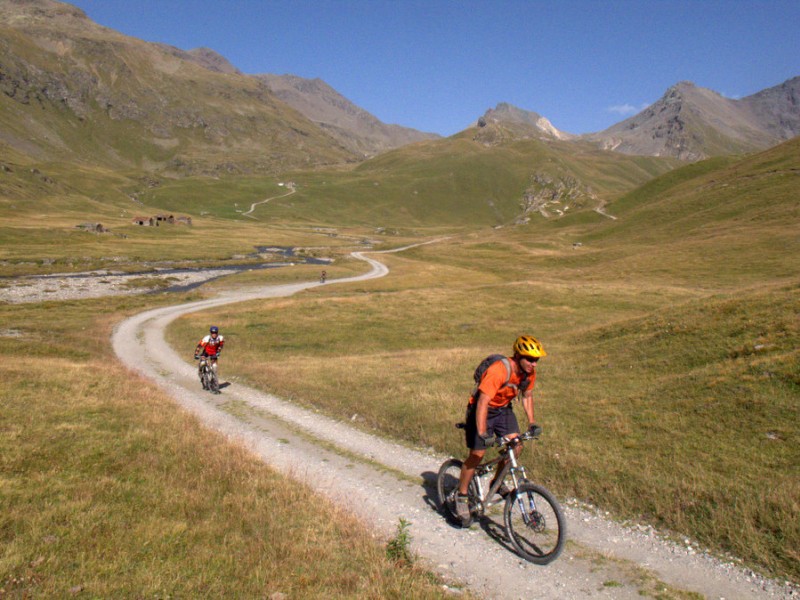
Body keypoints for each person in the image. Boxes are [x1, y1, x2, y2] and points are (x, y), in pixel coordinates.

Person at [456, 335, 546, 525]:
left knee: (516, 446)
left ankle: (496, 483)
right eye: (530, 359)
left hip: (503, 409)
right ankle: (462, 496)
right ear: (517, 356)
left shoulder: (528, 374)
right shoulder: (500, 370)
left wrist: (532, 422)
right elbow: (482, 401)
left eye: (536, 360)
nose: (534, 364)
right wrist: (482, 432)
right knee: (477, 454)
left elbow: (527, 395)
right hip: (481, 410)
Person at [194, 325, 224, 390]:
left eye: (215, 333)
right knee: (202, 363)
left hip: (214, 353)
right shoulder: (207, 338)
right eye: (213, 333)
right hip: (206, 352)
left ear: (217, 333)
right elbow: (199, 346)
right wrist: (196, 354)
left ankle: (214, 382)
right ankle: (201, 374)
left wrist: (218, 351)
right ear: (211, 333)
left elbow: (221, 345)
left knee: (214, 367)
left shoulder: (220, 338)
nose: (214, 334)